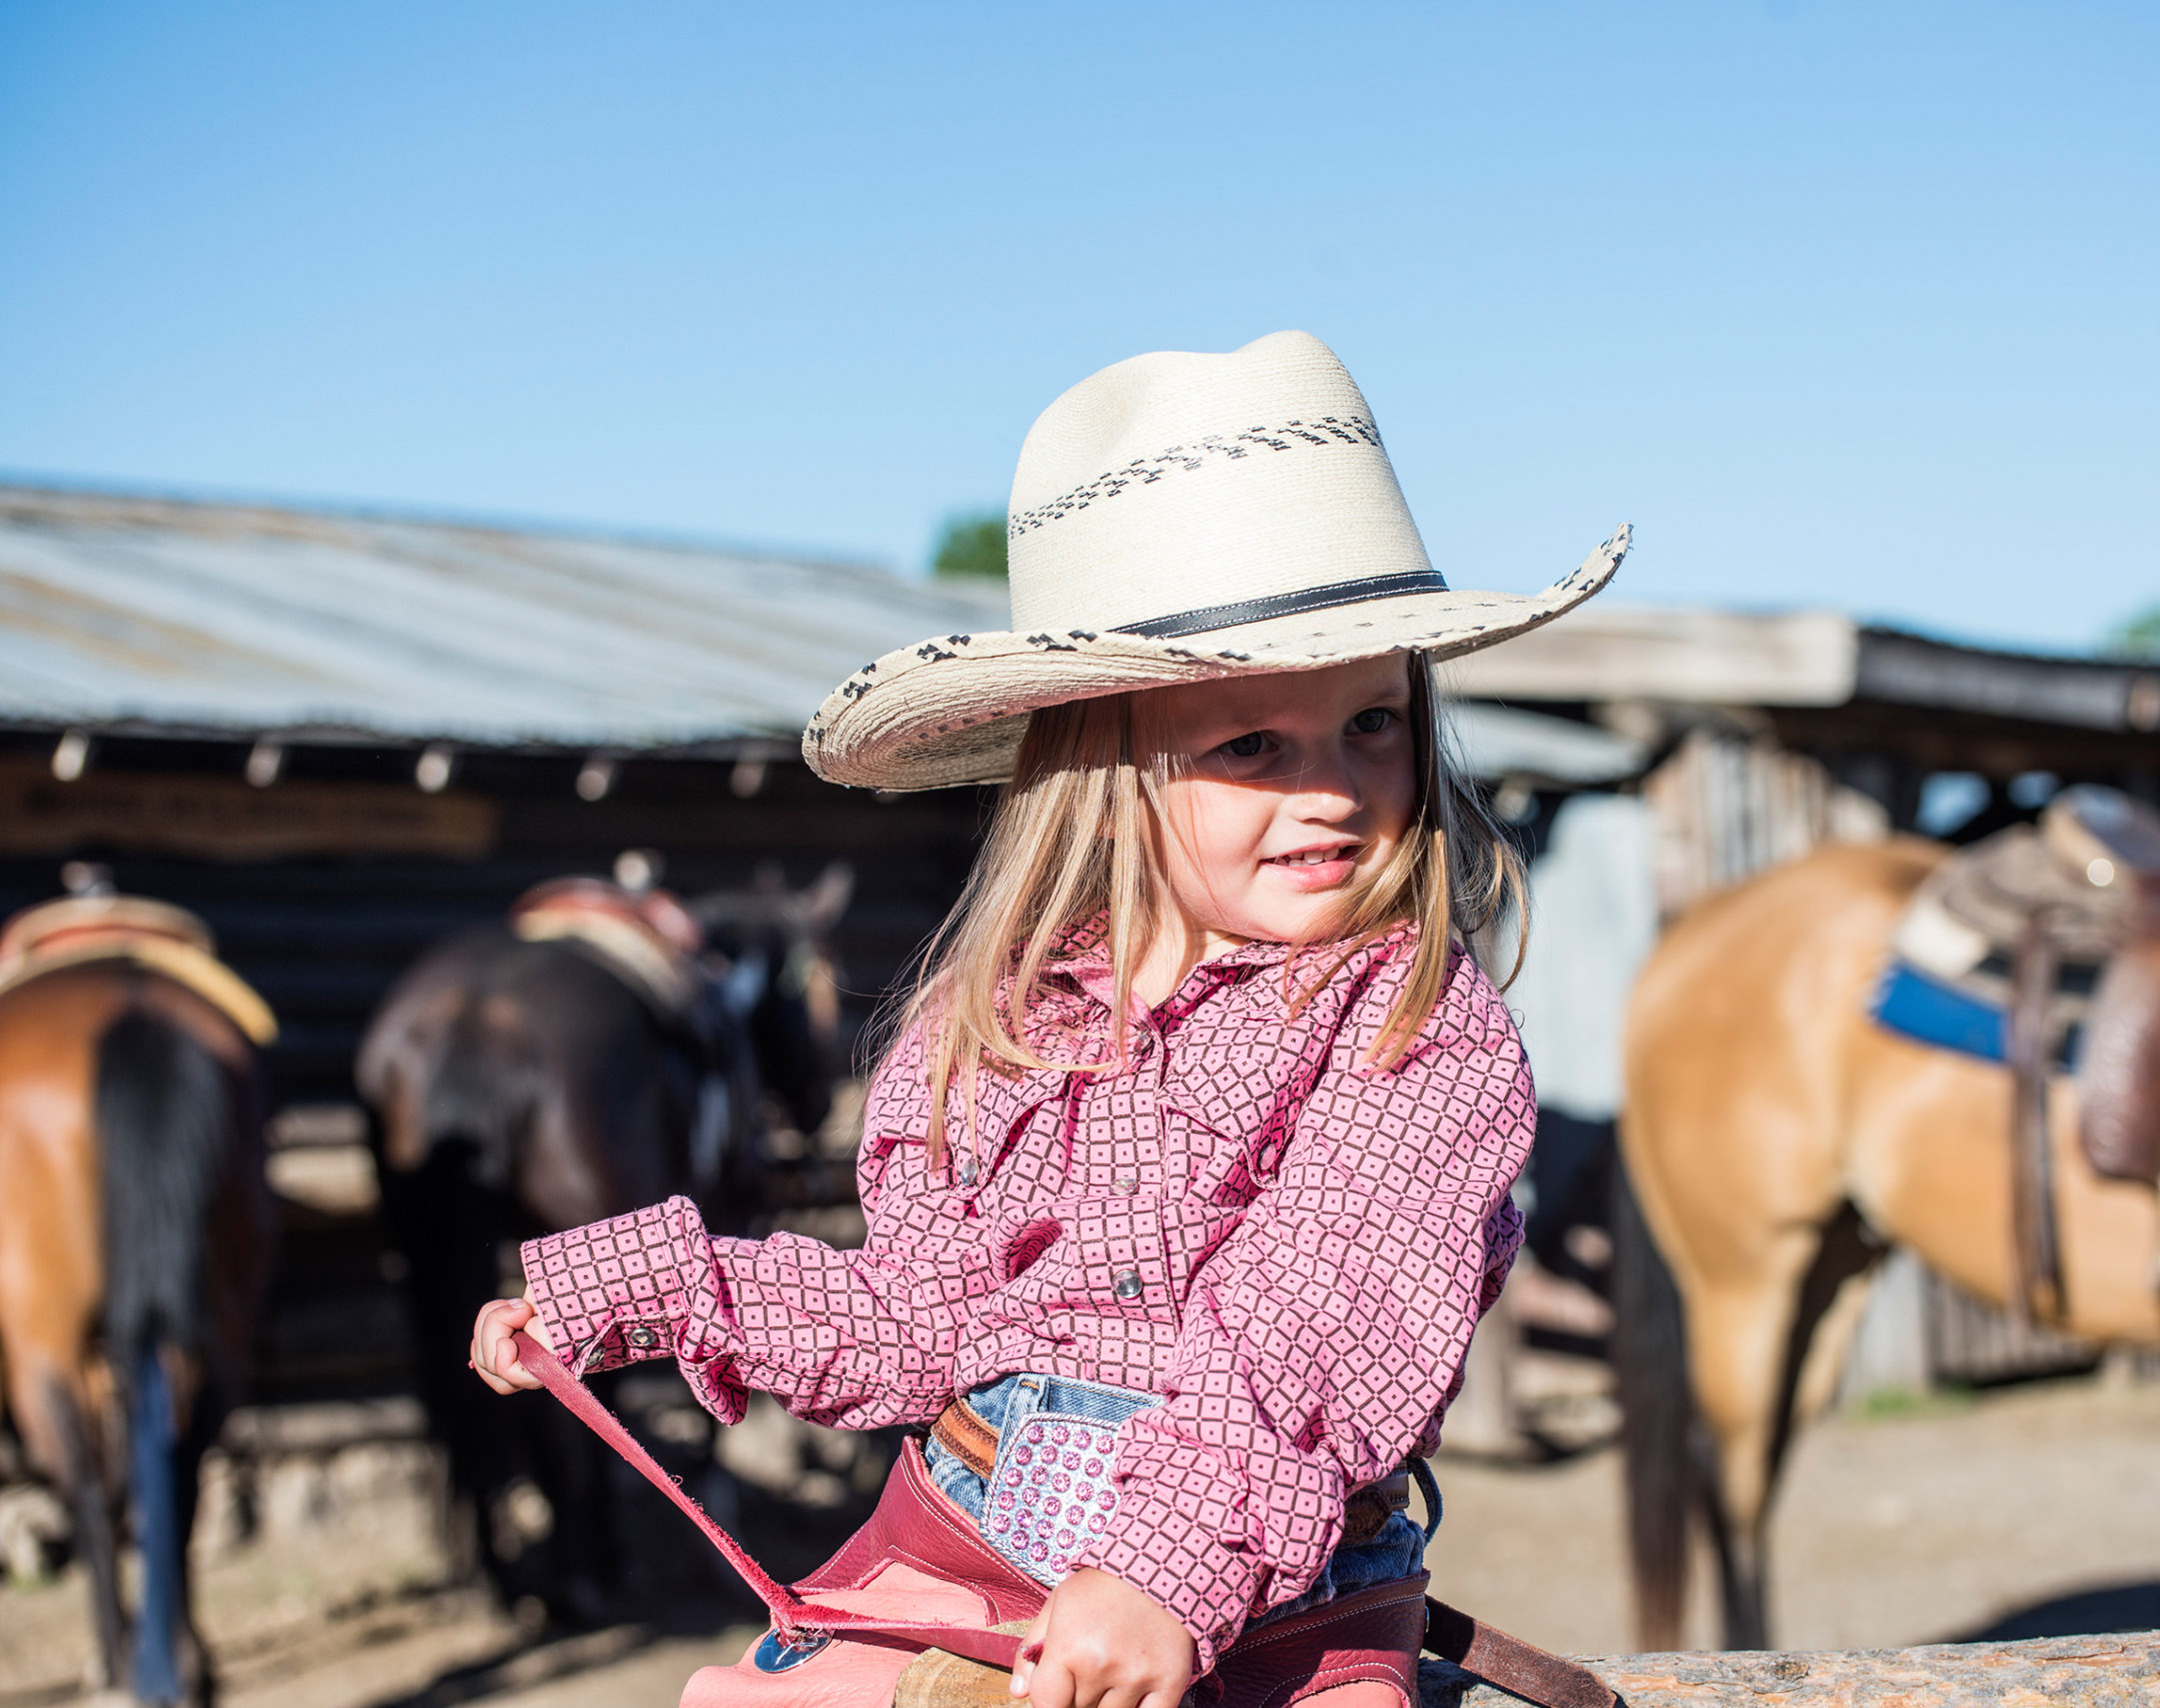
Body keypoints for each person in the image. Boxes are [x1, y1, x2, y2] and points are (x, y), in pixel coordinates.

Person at [468, 331, 1627, 1708]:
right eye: (1253, 743)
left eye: (1373, 722)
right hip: (967, 1539)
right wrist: (643, 1293)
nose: (1334, 789)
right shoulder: (996, 1020)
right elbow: (912, 1319)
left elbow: (1319, 1316)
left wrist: (1163, 1569)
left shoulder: (1415, 1026)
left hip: (1268, 1591)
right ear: (1104, 756)